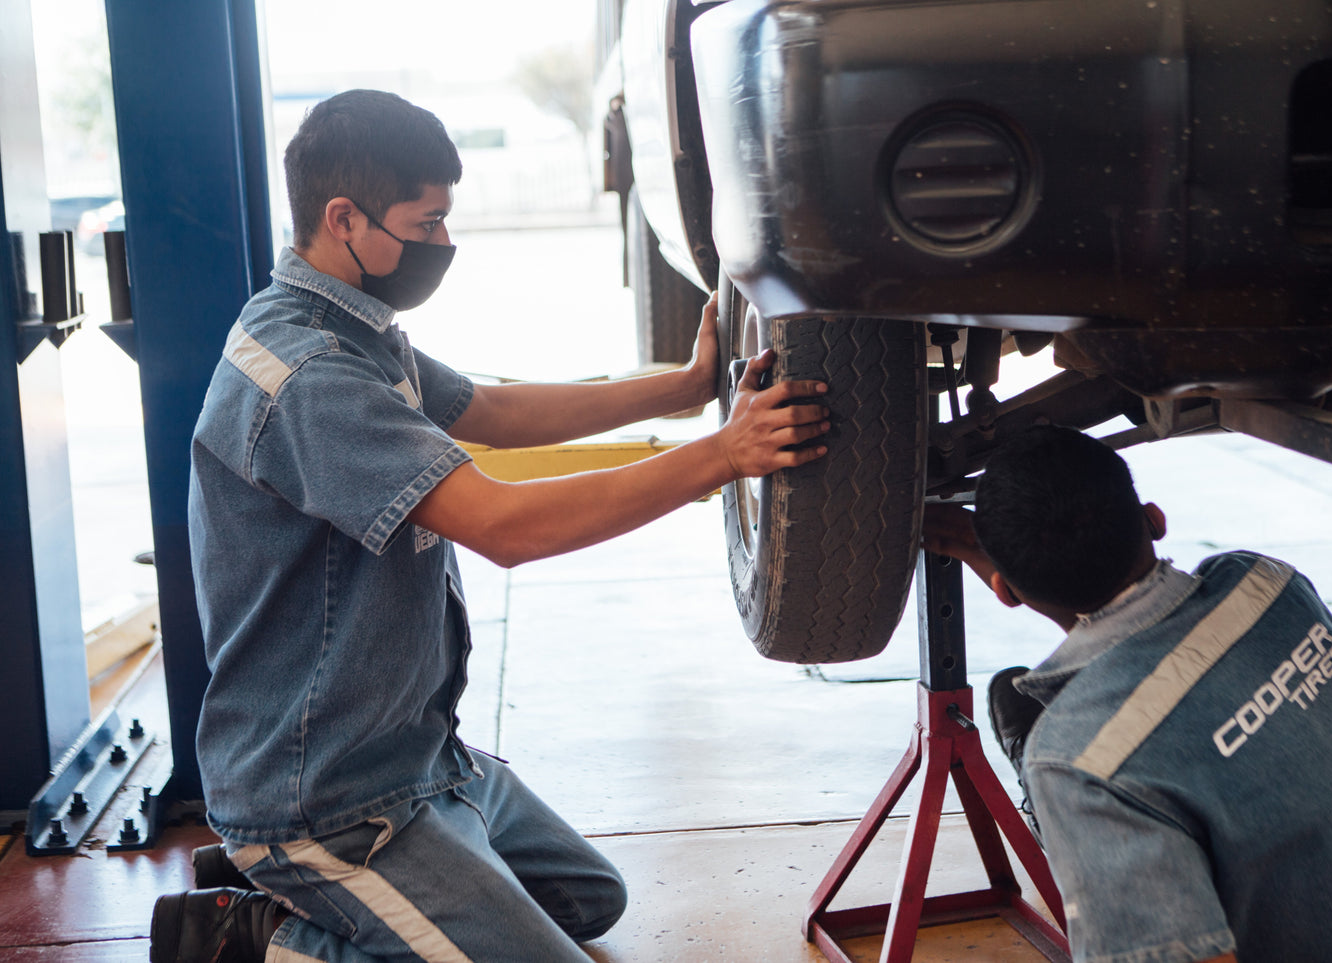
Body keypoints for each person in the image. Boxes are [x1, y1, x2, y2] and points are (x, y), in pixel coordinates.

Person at [149, 89, 831, 963]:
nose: (441, 244)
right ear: (343, 218)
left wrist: (682, 388)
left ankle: (336, 888)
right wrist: (723, 456)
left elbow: (487, 409)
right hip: (323, 789)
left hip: (414, 756)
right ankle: (258, 937)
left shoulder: (347, 326)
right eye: (425, 222)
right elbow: (505, 525)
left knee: (587, 898)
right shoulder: (311, 376)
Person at [922, 425, 1332, 963]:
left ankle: (1078, 828)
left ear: (1005, 592)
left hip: (1090, 761)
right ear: (1154, 520)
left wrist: (1069, 760)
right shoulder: (1269, 585)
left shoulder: (1076, 762)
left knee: (1095, 768)